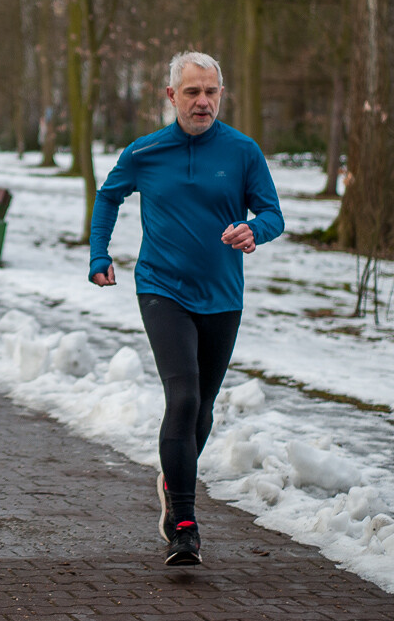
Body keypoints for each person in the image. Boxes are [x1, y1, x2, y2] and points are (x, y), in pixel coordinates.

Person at [89, 51, 284, 567]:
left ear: (221, 94)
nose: (203, 101)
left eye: (211, 92)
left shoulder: (242, 151)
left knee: (203, 408)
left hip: (222, 295)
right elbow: (108, 196)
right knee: (183, 396)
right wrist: (99, 254)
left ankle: (172, 477)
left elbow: (272, 213)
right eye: (192, 92)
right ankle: (184, 525)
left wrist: (253, 230)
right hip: (161, 288)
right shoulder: (147, 151)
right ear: (171, 95)